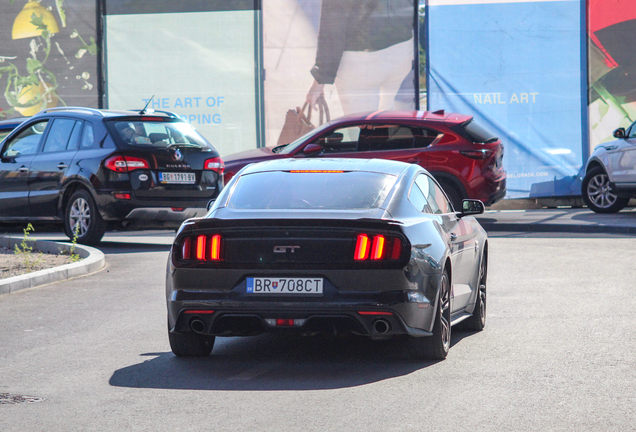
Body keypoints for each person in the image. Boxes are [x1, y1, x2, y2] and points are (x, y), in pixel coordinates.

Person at [306, 0, 414, 114]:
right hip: (402, 49)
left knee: (360, 126)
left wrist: (319, 80)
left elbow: (333, 28)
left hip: (361, 59)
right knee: (385, 117)